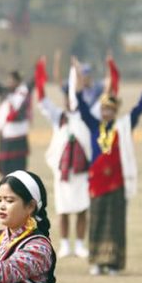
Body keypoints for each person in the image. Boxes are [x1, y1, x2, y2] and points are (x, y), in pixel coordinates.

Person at [73, 58, 142, 276]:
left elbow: (138, 109)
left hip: (116, 183)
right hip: (97, 183)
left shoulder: (123, 127)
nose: (106, 113)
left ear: (115, 111)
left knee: (115, 223)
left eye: (110, 109)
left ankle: (114, 263)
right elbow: (81, 106)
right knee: (96, 220)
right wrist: (78, 83)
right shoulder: (93, 126)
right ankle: (97, 262)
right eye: (104, 109)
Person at [37, 75, 90, 260]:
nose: (70, 100)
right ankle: (66, 244)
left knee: (83, 208)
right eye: (67, 97)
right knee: (64, 208)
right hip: (63, 171)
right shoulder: (59, 117)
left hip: (82, 170)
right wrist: (40, 75)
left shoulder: (85, 114)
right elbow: (43, 101)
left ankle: (81, 244)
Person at [0, 57, 32, 176]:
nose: (8, 82)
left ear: (17, 81)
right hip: (6, 135)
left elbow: (34, 82)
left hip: (19, 135)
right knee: (5, 169)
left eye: (11, 80)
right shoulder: (4, 92)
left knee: (20, 167)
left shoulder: (23, 94)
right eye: (8, 80)